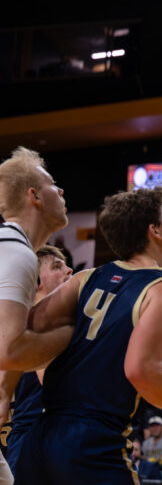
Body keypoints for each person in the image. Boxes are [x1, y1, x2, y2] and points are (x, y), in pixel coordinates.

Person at [7, 187, 162, 485]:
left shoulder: (87, 277)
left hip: (41, 436)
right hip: (92, 440)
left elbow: (23, 326)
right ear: (154, 230)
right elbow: (141, 369)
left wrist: (6, 390)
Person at [0, 244, 72, 485]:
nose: (69, 270)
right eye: (57, 267)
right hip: (34, 439)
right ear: (36, 281)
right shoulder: (33, 324)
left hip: (44, 437)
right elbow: (52, 383)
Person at [0, 148, 76, 372]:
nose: (61, 190)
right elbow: (9, 352)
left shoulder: (9, 245)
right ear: (35, 196)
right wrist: (71, 332)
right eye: (52, 183)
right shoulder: (16, 251)